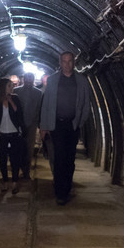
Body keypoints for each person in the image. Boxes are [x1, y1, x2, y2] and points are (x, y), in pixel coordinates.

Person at [39, 51, 91, 205]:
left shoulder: (81, 80)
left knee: (70, 159)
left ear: (73, 62)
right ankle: (60, 192)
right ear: (60, 63)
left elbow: (86, 104)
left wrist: (79, 122)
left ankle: (67, 187)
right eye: (64, 61)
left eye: (69, 61)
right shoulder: (53, 80)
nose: (67, 64)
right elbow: (46, 103)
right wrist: (44, 126)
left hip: (72, 124)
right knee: (60, 157)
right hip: (57, 124)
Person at [0, 78, 26, 193]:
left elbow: (18, 113)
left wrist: (10, 100)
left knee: (14, 159)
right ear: (3, 87)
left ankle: (15, 182)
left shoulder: (15, 98)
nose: (11, 88)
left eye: (11, 86)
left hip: (14, 133)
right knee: (2, 159)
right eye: (9, 86)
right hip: (2, 134)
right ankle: (5, 182)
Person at [14, 71, 43, 177]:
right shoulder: (16, 91)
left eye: (31, 79)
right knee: (19, 146)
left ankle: (26, 169)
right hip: (19, 124)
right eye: (27, 78)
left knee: (29, 147)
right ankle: (19, 166)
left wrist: (39, 123)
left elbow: (39, 108)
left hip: (32, 123)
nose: (29, 81)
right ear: (23, 79)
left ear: (34, 79)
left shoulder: (38, 93)